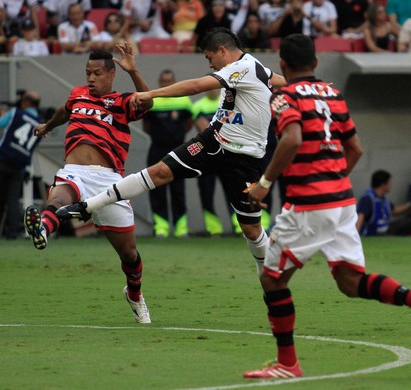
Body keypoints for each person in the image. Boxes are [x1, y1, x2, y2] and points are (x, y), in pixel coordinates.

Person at [243, 34, 411, 379]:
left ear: (282, 64)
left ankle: (287, 364)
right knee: (348, 281)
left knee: (272, 279)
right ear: (316, 62)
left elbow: (292, 138)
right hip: (341, 202)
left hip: (310, 205)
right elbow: (354, 149)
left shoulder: (284, 96)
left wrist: (264, 185)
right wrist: (334, 179)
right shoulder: (333, 94)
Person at [57, 28, 287, 275]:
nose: (210, 64)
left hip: (245, 158)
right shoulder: (255, 66)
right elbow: (279, 80)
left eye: (210, 58)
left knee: (251, 229)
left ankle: (270, 277)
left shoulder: (241, 68)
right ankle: (86, 207)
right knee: (159, 172)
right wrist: (307, 84)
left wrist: (151, 93)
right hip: (213, 141)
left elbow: (197, 85)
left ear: (222, 51)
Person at [23, 45, 154, 324]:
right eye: (87, 73)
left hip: (109, 180)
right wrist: (48, 125)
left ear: (111, 74)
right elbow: (65, 111)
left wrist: (134, 71)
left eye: (96, 73)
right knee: (58, 199)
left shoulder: (120, 102)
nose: (90, 78)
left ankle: (134, 295)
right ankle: (43, 231)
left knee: (129, 254)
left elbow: (147, 103)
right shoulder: (77, 94)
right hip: (75, 172)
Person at [0, 91, 42, 239]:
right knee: (13, 200)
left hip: (1, 159)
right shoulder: (41, 124)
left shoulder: (15, 113)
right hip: (19, 165)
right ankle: (13, 232)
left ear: (26, 102)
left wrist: (2, 115)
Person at [143, 70, 193, 238]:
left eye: (169, 81)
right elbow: (147, 127)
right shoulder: (153, 101)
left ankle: (181, 228)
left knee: (178, 190)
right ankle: (161, 228)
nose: (166, 84)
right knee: (156, 189)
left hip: (178, 150)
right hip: (157, 149)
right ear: (159, 82)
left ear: (174, 81)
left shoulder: (184, 100)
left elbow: (188, 123)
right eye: (163, 81)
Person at [191, 86, 225, 236]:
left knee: (233, 190)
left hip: (227, 155)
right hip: (207, 157)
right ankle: (214, 228)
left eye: (216, 87)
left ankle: (239, 227)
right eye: (210, 87)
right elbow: (205, 129)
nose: (213, 90)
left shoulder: (227, 103)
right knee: (206, 192)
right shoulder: (198, 105)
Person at [356, 170, 411, 236]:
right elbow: (360, 217)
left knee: (407, 223)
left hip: (385, 229)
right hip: (373, 233)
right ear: (383, 185)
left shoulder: (383, 198)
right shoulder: (367, 198)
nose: (391, 185)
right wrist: (355, 236)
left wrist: (410, 204)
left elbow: (394, 211)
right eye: (389, 182)